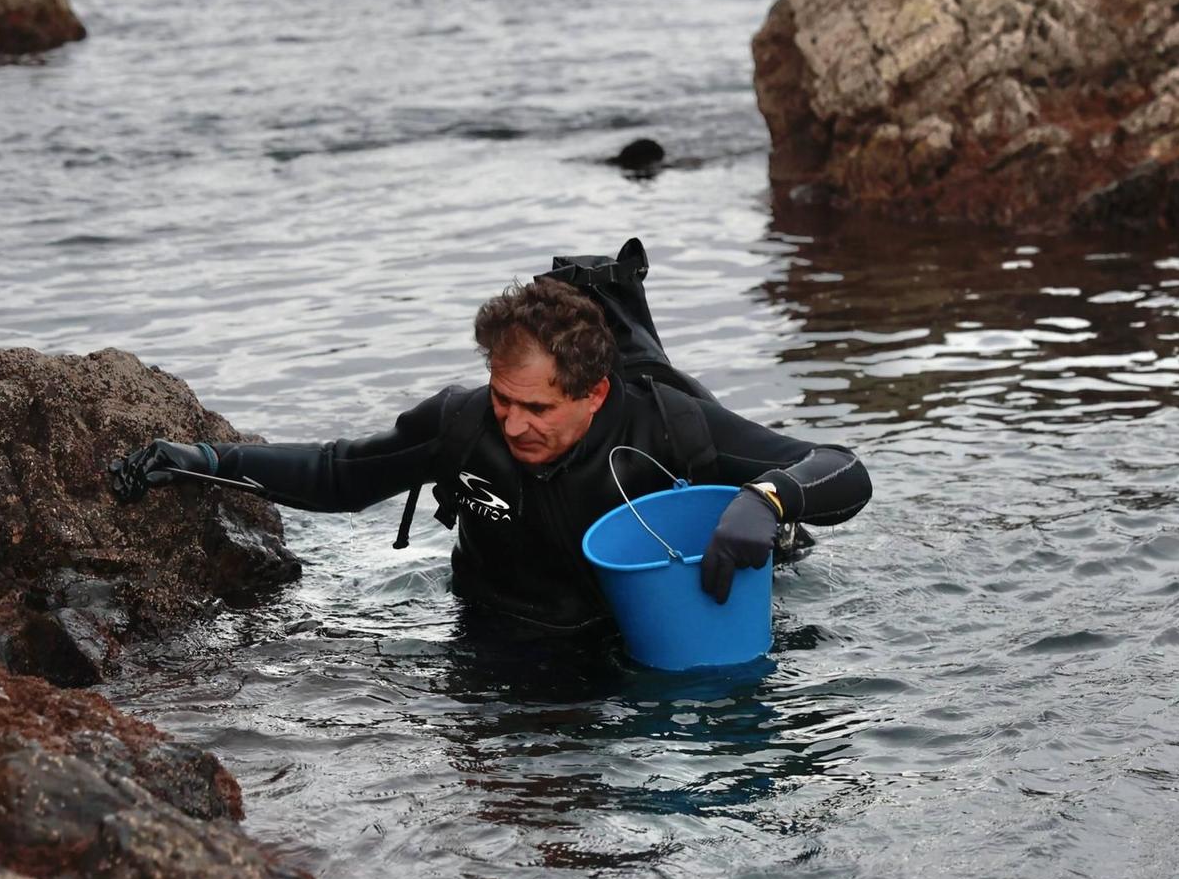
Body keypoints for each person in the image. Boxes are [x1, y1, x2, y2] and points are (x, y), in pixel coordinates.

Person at [114, 252, 871, 634]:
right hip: (494, 639)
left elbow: (842, 468)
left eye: (536, 407)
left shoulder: (664, 424)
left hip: (633, 650)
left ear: (594, 392)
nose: (511, 425)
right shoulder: (465, 423)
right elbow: (340, 473)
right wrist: (211, 460)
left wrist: (766, 499)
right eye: (503, 398)